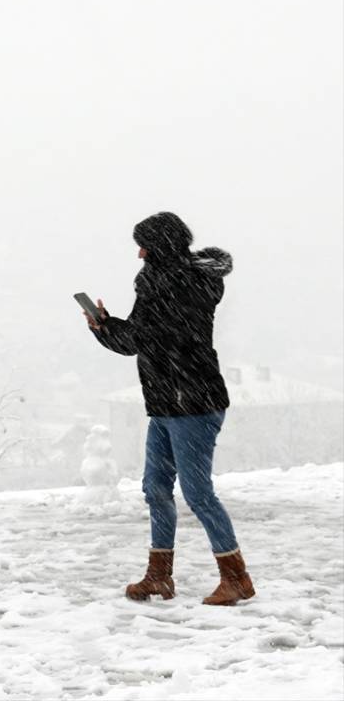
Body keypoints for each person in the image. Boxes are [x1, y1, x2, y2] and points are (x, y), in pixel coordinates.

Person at [83, 212, 254, 606]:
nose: (139, 253)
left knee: (198, 494)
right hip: (163, 403)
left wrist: (109, 328)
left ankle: (238, 578)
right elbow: (141, 338)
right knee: (155, 489)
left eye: (144, 245)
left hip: (193, 402)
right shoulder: (157, 281)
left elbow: (151, 336)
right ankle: (159, 577)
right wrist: (105, 326)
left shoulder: (188, 284)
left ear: (160, 245)